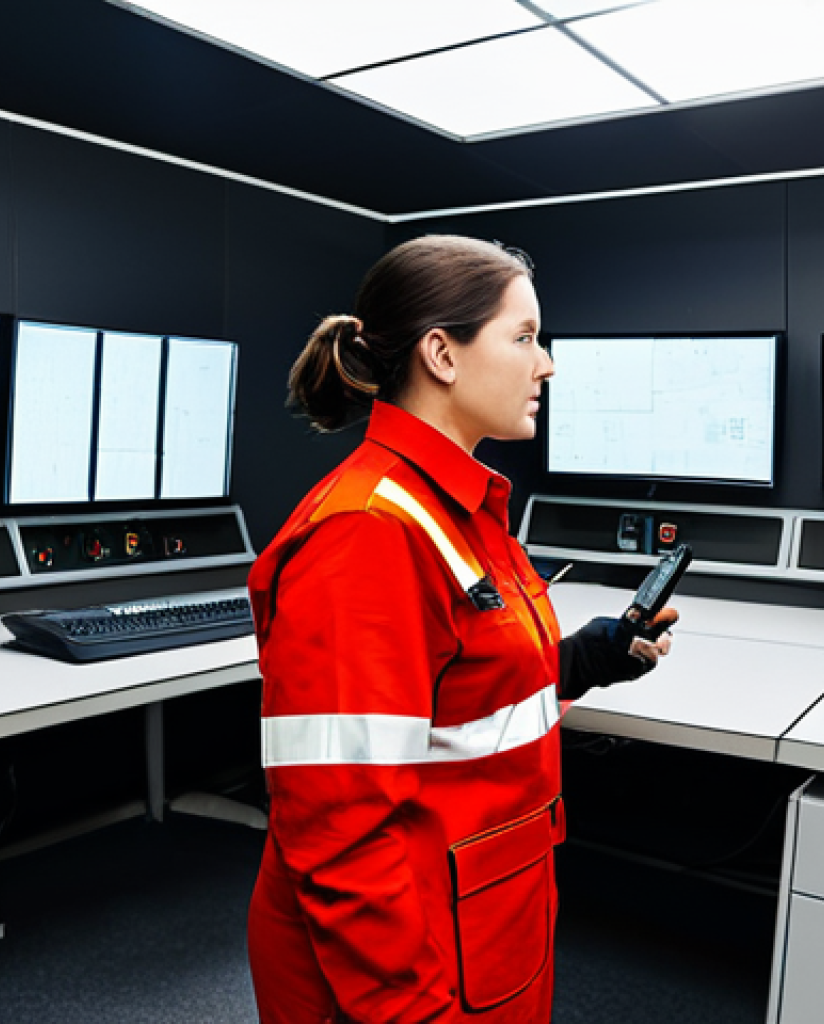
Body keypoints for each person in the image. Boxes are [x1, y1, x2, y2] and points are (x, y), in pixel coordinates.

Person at [247, 235, 676, 1023]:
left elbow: (468, 688)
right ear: (441, 354)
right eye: (524, 338)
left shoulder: (462, 510)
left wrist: (585, 658)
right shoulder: (365, 535)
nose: (545, 364)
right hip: (407, 966)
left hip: (485, 919)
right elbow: (340, 828)